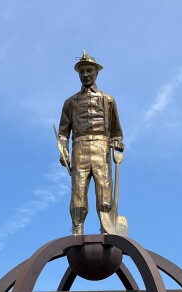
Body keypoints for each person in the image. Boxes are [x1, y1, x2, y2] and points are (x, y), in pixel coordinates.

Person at [57, 51, 124, 235]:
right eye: (82, 71)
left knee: (104, 187)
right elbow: (63, 132)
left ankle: (106, 225)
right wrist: (62, 149)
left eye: (89, 71)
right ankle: (77, 226)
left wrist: (117, 143)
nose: (85, 75)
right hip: (80, 146)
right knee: (78, 189)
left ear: (96, 73)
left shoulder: (108, 100)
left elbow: (117, 132)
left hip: (102, 147)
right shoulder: (70, 103)